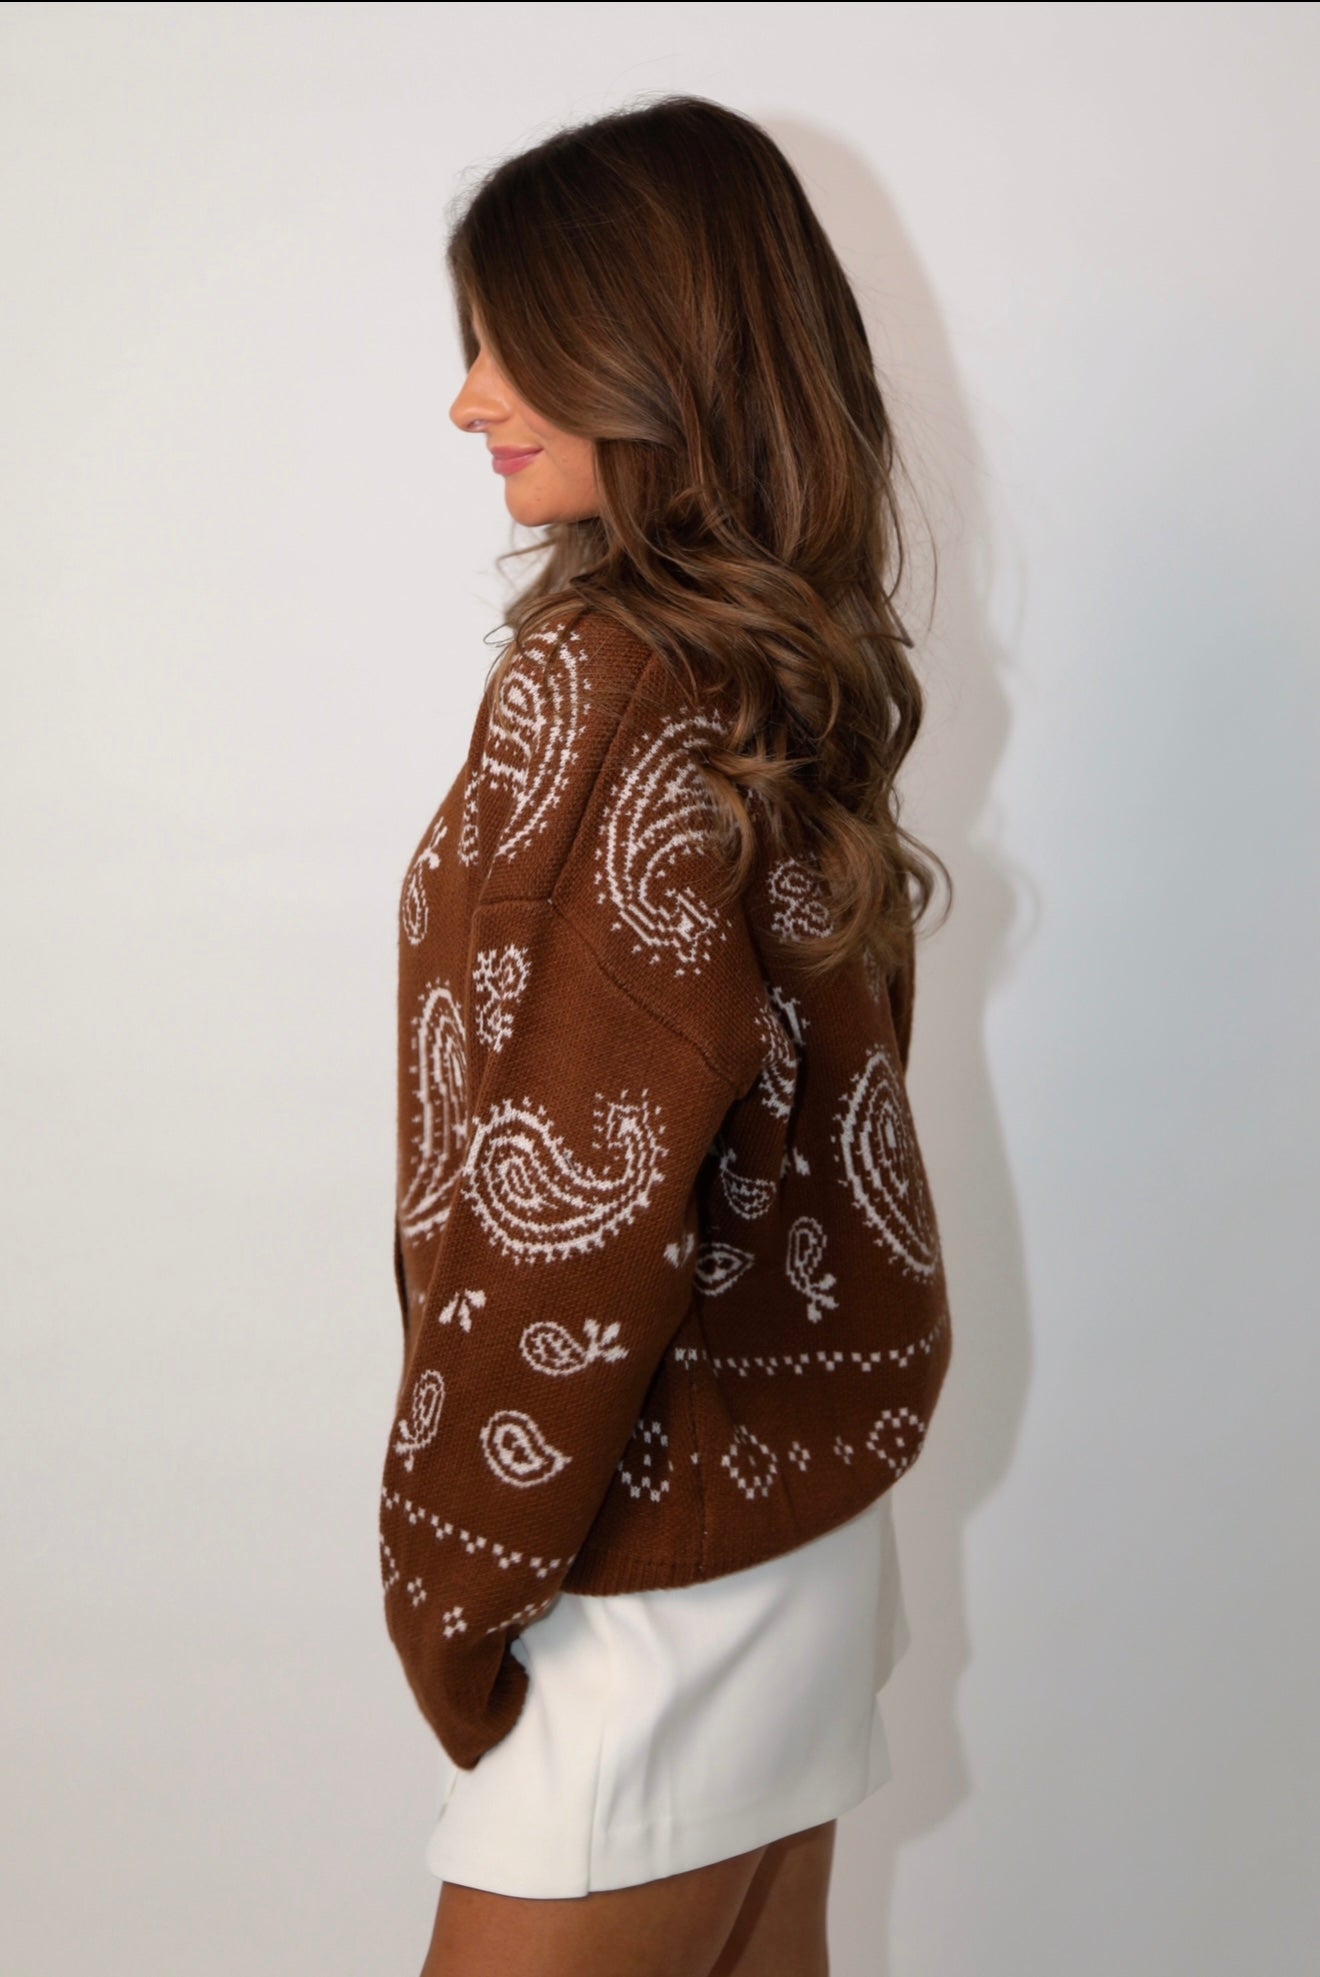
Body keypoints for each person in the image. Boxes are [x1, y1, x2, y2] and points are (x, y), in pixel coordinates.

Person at [379, 93, 955, 1977]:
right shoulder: (767, 665)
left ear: (647, 348)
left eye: (509, 344)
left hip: (638, 1578)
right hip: (794, 1530)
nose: (468, 400)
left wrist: (453, 1589)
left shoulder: (605, 678)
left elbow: (571, 1195)